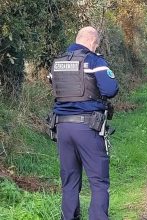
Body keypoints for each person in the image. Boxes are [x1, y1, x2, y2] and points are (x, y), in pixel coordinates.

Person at [49, 26, 119, 220]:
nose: (96, 48)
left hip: (62, 128)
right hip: (88, 127)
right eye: (96, 45)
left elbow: (54, 85)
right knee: (98, 181)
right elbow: (110, 89)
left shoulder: (57, 62)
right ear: (92, 42)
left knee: (69, 181)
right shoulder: (94, 60)